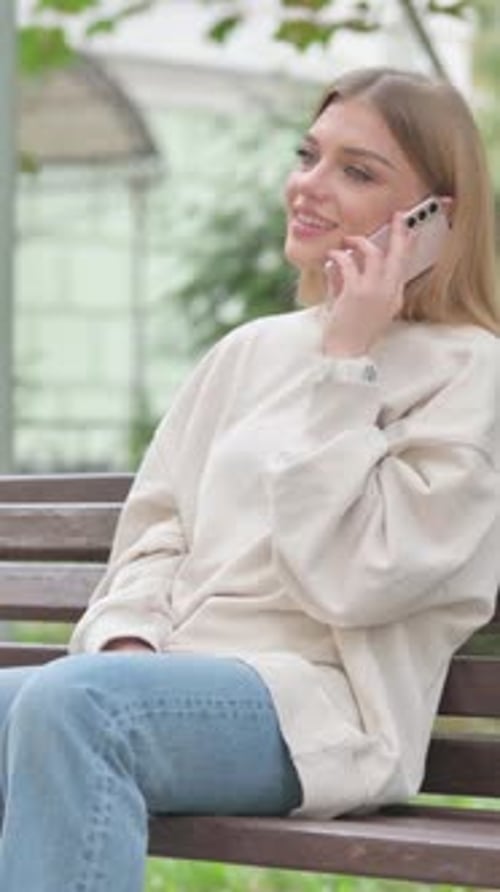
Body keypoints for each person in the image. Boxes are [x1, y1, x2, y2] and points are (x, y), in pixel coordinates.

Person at [1, 66, 500, 891]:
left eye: (357, 171)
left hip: (321, 712)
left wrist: (347, 362)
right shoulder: (250, 351)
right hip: (164, 682)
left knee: (78, 706)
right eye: (309, 156)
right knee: (73, 697)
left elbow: (356, 580)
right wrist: (130, 644)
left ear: (435, 220)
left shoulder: (472, 373)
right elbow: (159, 531)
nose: (310, 185)